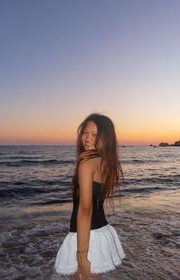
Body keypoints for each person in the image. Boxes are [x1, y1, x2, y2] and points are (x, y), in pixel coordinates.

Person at [54, 113, 125, 279]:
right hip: (98, 231)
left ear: (105, 139)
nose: (87, 139)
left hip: (87, 238)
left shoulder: (86, 163)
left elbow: (85, 209)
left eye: (95, 135)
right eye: (85, 132)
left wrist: (82, 256)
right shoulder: (105, 162)